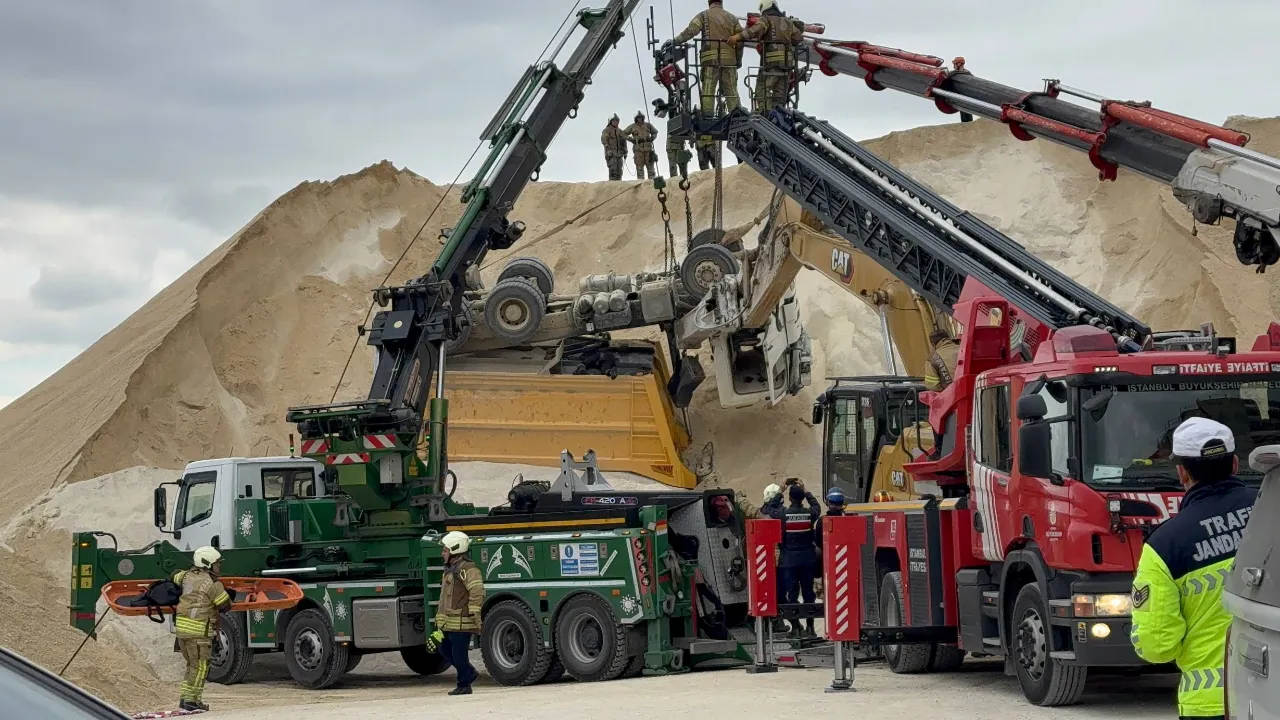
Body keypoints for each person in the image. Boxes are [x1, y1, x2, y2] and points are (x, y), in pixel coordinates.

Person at [1130, 417, 1256, 720]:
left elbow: (1156, 646)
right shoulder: (1271, 510)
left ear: (1182, 472)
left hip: (1213, 704)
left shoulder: (1164, 546)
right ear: (1235, 465)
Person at [172, 546, 232, 712]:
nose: (219, 567)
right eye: (217, 564)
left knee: (192, 666)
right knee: (201, 667)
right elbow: (225, 606)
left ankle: (186, 699)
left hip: (182, 631)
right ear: (207, 565)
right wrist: (229, 594)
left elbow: (174, 576)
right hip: (198, 632)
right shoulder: (213, 583)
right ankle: (192, 701)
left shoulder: (185, 576)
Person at [428, 530, 486, 695]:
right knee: (444, 649)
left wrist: (475, 614)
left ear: (455, 550)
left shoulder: (468, 569)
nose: (442, 553)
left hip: (462, 622)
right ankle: (469, 673)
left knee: (458, 654)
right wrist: (439, 623)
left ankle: (464, 685)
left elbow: (477, 591)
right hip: (450, 623)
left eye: (445, 550)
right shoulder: (450, 569)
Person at [669, 0, 743, 117]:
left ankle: (707, 117)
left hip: (710, 61)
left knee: (708, 91)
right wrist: (738, 60)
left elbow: (690, 31)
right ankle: (737, 116)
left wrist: (675, 41)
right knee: (731, 92)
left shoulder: (703, 15)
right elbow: (740, 40)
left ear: (709, 2)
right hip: (729, 62)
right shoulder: (732, 18)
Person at [735, 0, 804, 112]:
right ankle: (779, 113)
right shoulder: (787, 22)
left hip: (772, 63)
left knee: (761, 90)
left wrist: (738, 36)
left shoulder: (765, 19)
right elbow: (797, 38)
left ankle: (765, 113)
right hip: (787, 64)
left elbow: (754, 31)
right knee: (779, 94)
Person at [778, 479, 821, 637]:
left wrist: (780, 490)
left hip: (789, 561)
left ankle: (796, 628)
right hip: (808, 560)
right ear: (802, 498)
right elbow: (817, 507)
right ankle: (810, 628)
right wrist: (806, 490)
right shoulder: (810, 514)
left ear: (789, 498)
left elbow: (770, 507)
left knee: (792, 594)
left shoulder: (783, 515)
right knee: (809, 593)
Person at [624, 112, 659, 180]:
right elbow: (623, 134)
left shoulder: (648, 125)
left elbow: (655, 132)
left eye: (641, 118)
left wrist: (652, 138)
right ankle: (641, 183)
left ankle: (651, 183)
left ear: (643, 118)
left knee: (651, 169)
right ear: (636, 119)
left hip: (648, 150)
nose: (639, 119)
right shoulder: (632, 126)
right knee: (639, 169)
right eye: (638, 118)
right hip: (638, 150)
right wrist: (631, 139)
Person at [600, 114, 629, 181]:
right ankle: (612, 186)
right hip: (611, 154)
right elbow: (604, 140)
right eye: (614, 121)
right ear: (610, 121)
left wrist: (625, 151)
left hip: (619, 154)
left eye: (617, 121)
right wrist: (608, 149)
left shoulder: (620, 131)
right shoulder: (607, 130)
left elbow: (623, 141)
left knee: (619, 171)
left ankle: (618, 185)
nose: (616, 122)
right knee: (613, 171)